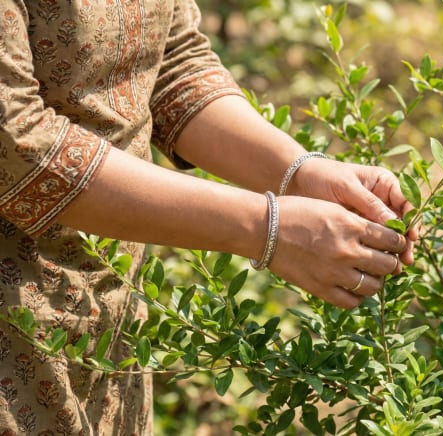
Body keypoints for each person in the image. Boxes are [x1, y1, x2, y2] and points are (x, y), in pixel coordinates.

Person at [0, 0, 416, 433]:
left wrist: (301, 173)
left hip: (108, 316)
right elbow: (15, 142)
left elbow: (172, 64)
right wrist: (268, 227)